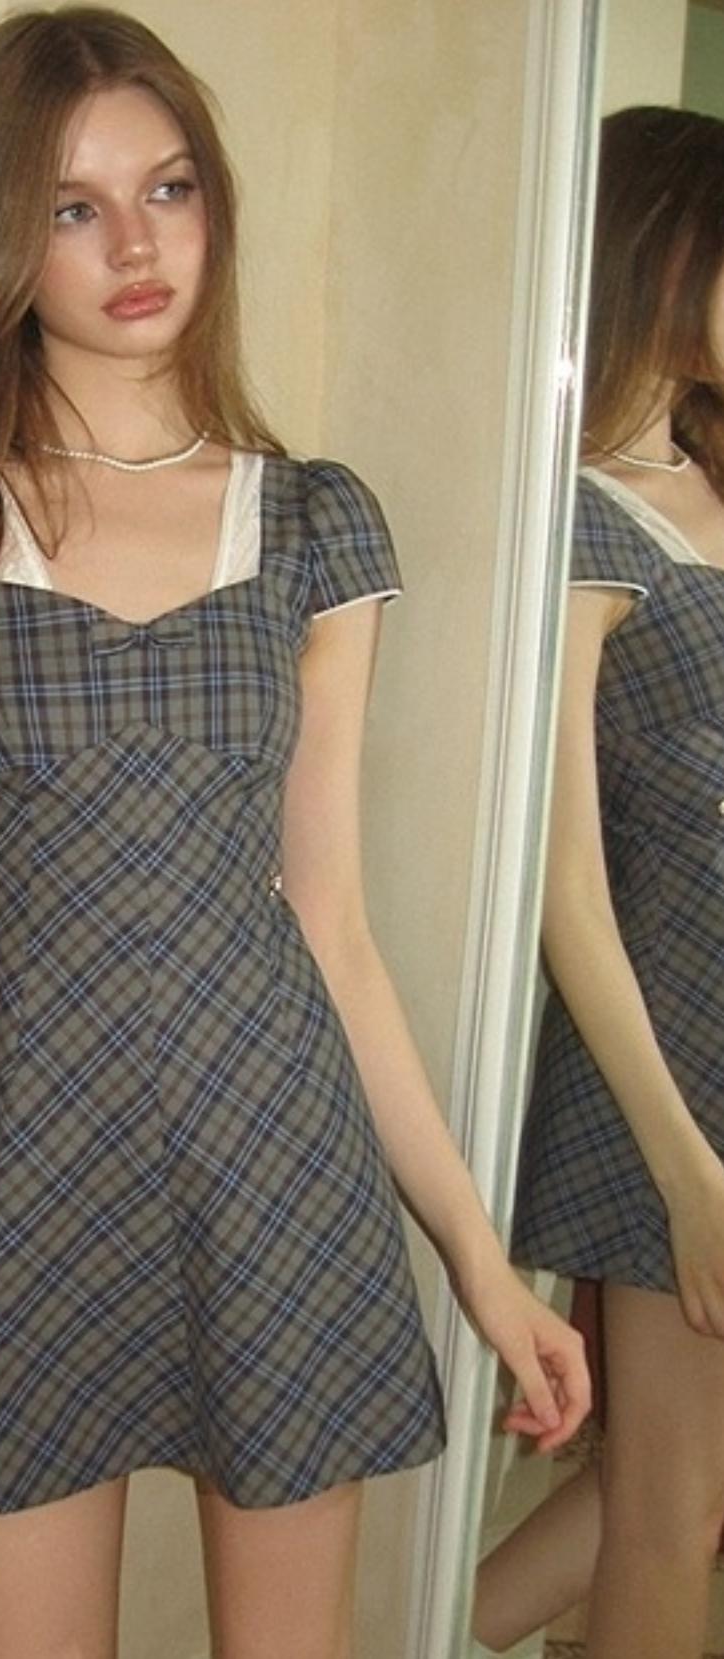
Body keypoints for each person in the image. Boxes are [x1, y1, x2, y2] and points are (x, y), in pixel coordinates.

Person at [0, 10, 587, 1657]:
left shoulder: (311, 523)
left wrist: (478, 1258)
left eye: (167, 188)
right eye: (73, 206)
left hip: (270, 1162)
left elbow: (330, 924)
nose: (137, 244)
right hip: (18, 1166)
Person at [476, 105, 724, 1659]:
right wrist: (688, 1174)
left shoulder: (706, 476)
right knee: (671, 1514)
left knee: (674, 1487)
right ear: (664, 260)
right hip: (670, 1078)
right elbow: (563, 886)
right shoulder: (575, 520)